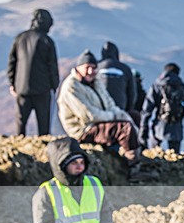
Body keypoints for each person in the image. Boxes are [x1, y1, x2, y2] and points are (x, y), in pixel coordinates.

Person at [57, 50, 142, 180]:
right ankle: (133, 167)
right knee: (124, 128)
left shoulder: (95, 83)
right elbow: (88, 115)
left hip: (98, 122)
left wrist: (120, 114)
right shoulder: (72, 86)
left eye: (94, 68)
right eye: (87, 68)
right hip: (83, 129)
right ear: (78, 68)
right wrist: (114, 117)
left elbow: (109, 103)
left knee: (134, 116)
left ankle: (134, 153)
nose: (91, 71)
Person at [7, 9, 59, 136]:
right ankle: (44, 146)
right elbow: (52, 66)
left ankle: (19, 145)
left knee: (21, 122)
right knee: (43, 124)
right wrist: (54, 85)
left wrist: (13, 83)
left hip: (22, 88)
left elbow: (12, 63)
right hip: (43, 89)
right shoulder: (47, 41)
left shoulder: (20, 38)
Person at [140, 63, 184, 153]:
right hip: (176, 129)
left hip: (158, 127)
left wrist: (143, 132)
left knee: (153, 155)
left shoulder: (157, 86)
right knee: (175, 158)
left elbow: (146, 110)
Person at [96, 42, 137, 123]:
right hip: (120, 108)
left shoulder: (96, 68)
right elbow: (132, 93)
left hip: (100, 110)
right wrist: (128, 110)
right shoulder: (125, 69)